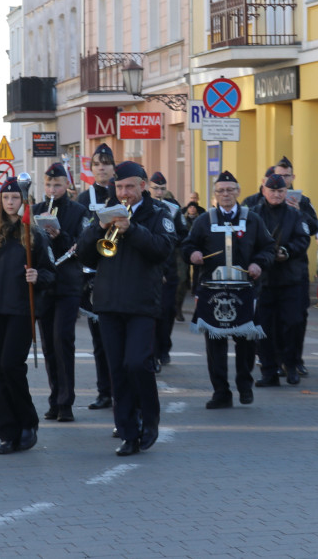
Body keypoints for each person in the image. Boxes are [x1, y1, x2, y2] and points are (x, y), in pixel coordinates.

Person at [77, 161, 177, 456]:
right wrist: (99, 227)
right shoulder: (104, 213)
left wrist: (132, 230)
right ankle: (128, 432)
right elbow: (85, 255)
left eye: (130, 187)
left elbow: (163, 250)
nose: (124, 193)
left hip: (142, 303)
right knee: (117, 370)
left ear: (143, 186)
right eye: (119, 187)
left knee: (137, 363)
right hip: (108, 304)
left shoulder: (159, 214)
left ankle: (150, 418)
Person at [0, 176, 56, 455]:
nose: (10, 202)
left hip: (21, 309)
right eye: (5, 198)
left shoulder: (33, 234)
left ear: (22, 201)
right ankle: (8, 431)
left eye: (15, 198)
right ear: (0, 201)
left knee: (10, 367)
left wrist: (38, 275)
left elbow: (52, 273)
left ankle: (27, 423)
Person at [183, 171, 275, 409]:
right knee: (215, 344)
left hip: (244, 289)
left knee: (245, 341)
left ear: (238, 192)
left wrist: (258, 263)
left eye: (230, 190)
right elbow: (188, 245)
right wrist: (192, 254)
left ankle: (244, 385)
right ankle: (221, 392)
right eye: (221, 191)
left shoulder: (252, 219)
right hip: (212, 290)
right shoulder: (204, 220)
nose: (225, 195)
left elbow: (268, 248)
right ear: (214, 195)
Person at [33, 163, 90, 423]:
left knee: (62, 340)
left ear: (67, 185)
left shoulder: (79, 211)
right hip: (44, 285)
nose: (52, 190)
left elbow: (83, 246)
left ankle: (66, 402)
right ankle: (55, 398)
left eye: (57, 185)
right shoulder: (36, 210)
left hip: (67, 284)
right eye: (48, 185)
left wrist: (60, 235)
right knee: (48, 344)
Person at [250, 173, 312, 386]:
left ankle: (291, 365)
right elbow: (247, 241)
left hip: (290, 279)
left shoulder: (295, 215)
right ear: (264, 190)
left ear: (286, 192)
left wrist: (287, 250)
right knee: (264, 327)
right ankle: (269, 371)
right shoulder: (253, 214)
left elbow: (303, 239)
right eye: (272, 191)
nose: (276, 195)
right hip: (264, 280)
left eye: (280, 191)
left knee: (292, 324)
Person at [77, 142, 117, 411]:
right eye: (97, 164)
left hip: (120, 273)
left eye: (106, 163)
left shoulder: (121, 193)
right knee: (100, 341)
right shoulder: (83, 199)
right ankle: (105, 391)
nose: (101, 168)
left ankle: (124, 389)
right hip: (94, 274)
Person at [148, 171, 185, 370]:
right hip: (151, 268)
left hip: (169, 267)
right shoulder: (144, 208)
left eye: (162, 188)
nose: (159, 192)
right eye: (156, 188)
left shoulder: (173, 208)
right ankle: (152, 353)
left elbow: (182, 234)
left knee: (168, 310)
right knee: (152, 312)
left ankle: (164, 347)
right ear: (148, 188)